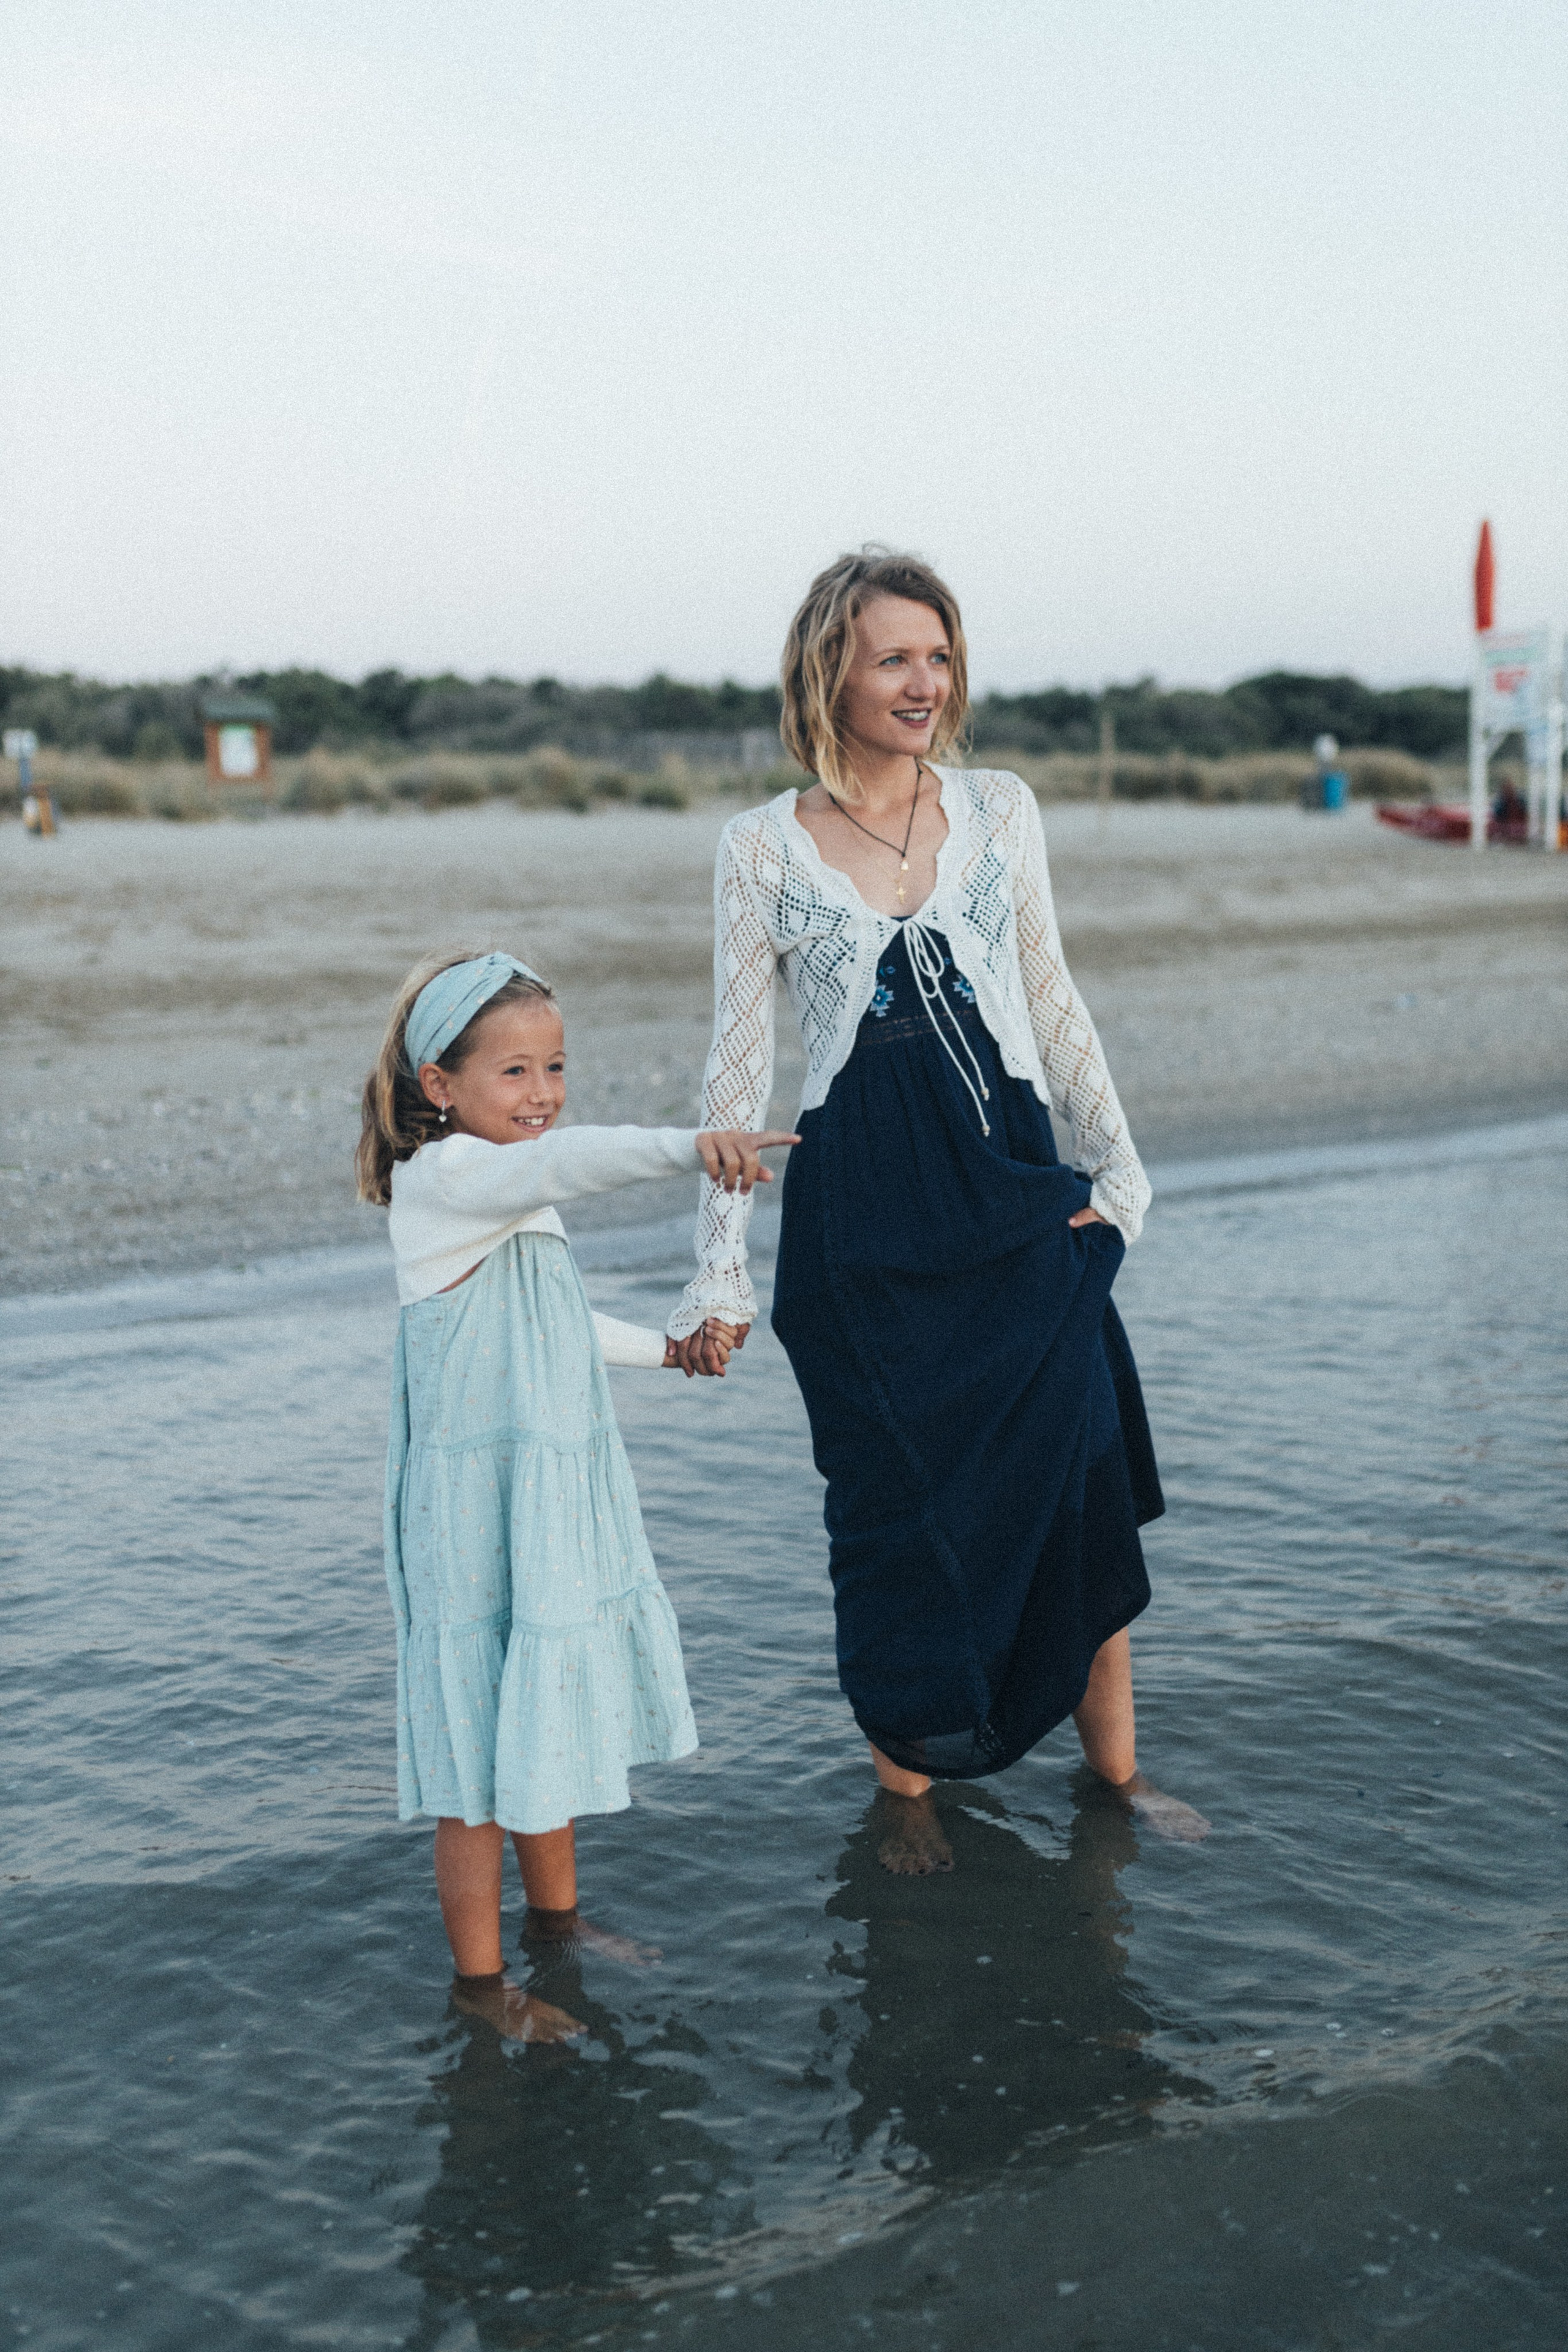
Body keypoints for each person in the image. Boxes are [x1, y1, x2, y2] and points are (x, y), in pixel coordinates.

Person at [667, 549, 1207, 1872]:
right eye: (894, 656)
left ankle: (1118, 1780)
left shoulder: (998, 807)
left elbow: (1050, 993)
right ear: (828, 670)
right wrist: (716, 1274)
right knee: (895, 1504)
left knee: (1080, 1460)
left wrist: (1118, 1174)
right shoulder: (756, 847)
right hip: (866, 1224)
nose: (924, 683)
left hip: (1013, 1184)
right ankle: (903, 1791)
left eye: (939, 655)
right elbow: (736, 1073)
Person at [357, 947, 796, 2036]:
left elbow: (550, 1324)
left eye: (554, 1066)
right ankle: (480, 1990)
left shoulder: (501, 1185)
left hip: (537, 1494)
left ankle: (559, 1929)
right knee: (474, 1753)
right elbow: (571, 1165)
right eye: (513, 1072)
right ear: (439, 1086)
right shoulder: (447, 1176)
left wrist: (668, 1350)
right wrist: (691, 1149)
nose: (543, 1093)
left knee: (534, 1707)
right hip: (469, 1507)